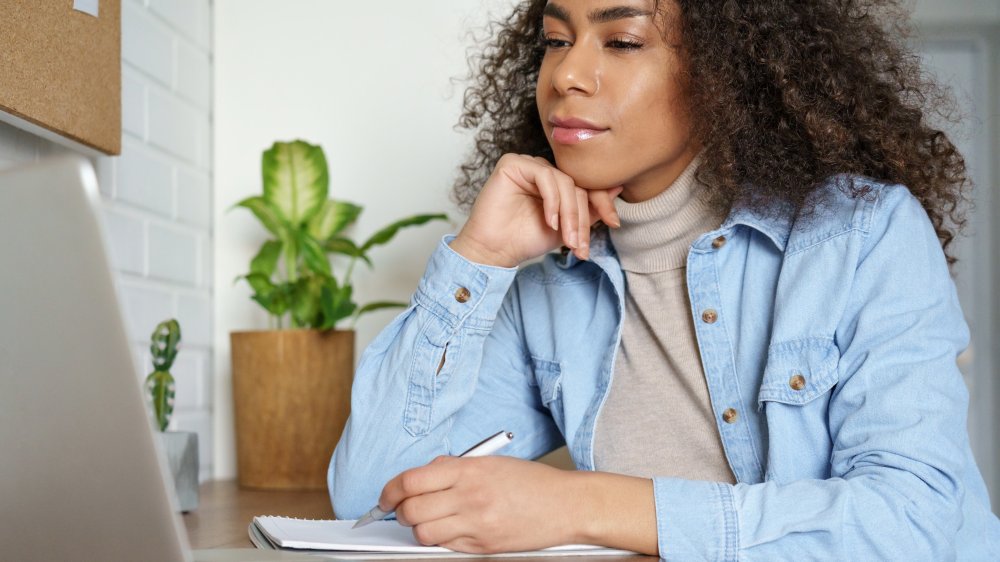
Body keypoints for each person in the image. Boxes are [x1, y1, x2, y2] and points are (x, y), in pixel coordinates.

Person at [328, 0, 1000, 558]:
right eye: (557, 40)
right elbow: (372, 501)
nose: (567, 75)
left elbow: (915, 522)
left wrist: (580, 504)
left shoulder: (860, 233)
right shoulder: (555, 281)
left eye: (620, 41)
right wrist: (481, 255)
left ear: (724, 73)